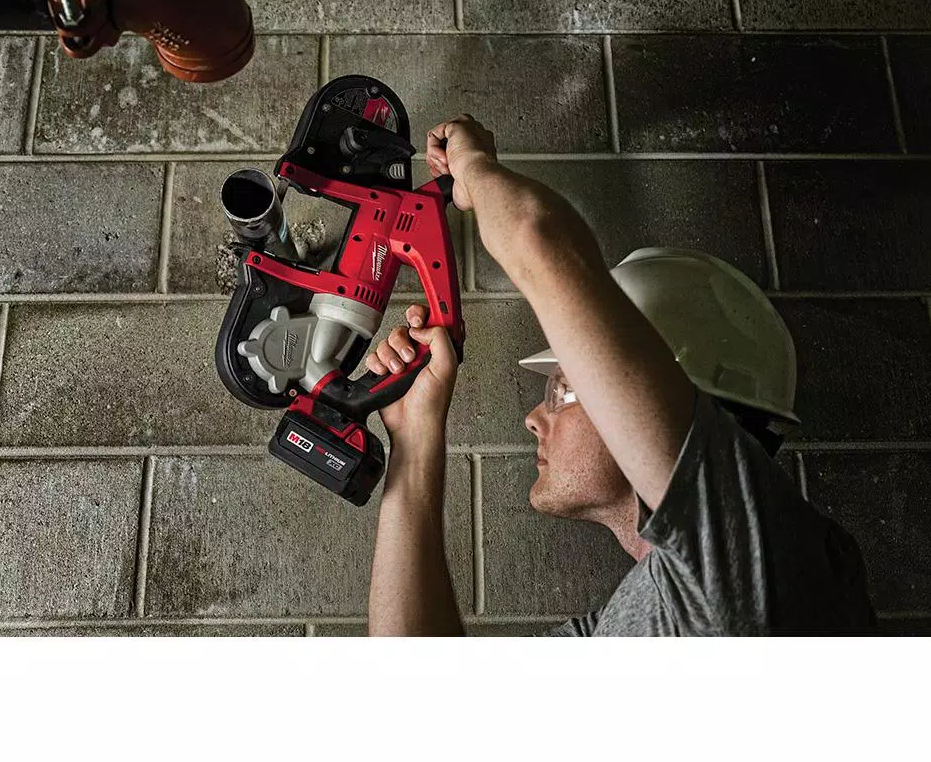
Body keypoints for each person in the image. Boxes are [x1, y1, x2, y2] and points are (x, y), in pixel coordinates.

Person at [365, 114, 876, 637]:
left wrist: (472, 167)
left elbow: (539, 241)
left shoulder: (760, 558)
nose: (534, 418)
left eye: (564, 387)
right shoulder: (631, 622)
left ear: (668, 390)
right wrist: (415, 436)